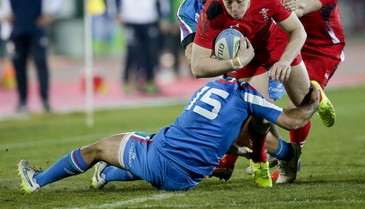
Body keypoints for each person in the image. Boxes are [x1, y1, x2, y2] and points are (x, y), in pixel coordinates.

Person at [17, 53, 321, 193]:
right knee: (152, 148)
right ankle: (108, 174)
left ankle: (37, 181)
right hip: (190, 177)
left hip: (164, 158)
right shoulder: (252, 99)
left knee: (96, 148)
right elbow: (290, 120)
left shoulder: (211, 86)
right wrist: (312, 103)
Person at [191, 0, 336, 184]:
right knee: (259, 114)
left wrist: (285, 61)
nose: (234, 7)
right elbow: (197, 67)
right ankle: (266, 160)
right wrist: (234, 62)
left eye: (239, 0)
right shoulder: (212, 12)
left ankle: (316, 96)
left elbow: (298, 31)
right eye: (228, 1)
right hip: (247, 59)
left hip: (276, 44)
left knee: (303, 101)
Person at [261, 0, 345, 182]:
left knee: (301, 102)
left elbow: (302, 8)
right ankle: (261, 151)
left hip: (323, 50)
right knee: (253, 94)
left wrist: (290, 6)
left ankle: (291, 159)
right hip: (291, 45)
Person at [0, 0, 63, 112]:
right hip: (16, 30)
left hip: (37, 28)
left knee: (41, 64)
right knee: (18, 66)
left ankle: (45, 100)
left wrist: (50, 14)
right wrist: (3, 15)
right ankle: (22, 100)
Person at [106, 0, 170, 94]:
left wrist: (163, 16)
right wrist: (115, 13)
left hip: (150, 17)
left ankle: (149, 81)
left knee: (151, 52)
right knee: (132, 51)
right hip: (131, 18)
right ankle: (127, 81)